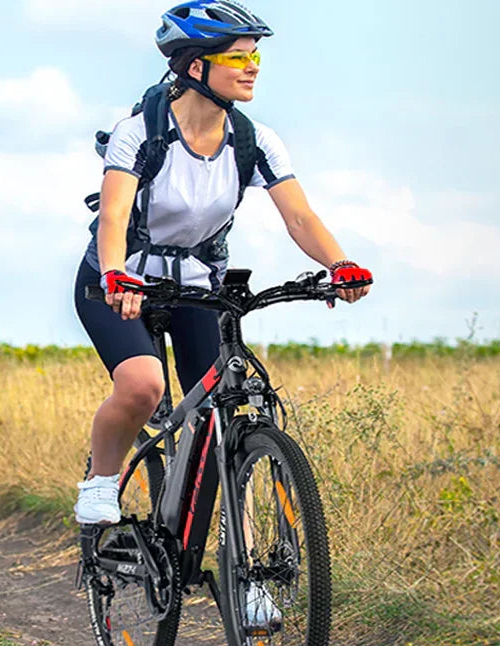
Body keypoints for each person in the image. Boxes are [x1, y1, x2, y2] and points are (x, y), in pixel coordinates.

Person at [73, 0, 373, 527]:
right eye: (237, 58)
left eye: (255, 57)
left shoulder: (254, 141)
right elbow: (115, 214)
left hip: (196, 287)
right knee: (144, 385)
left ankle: (244, 568)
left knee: (217, 425)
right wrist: (116, 272)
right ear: (196, 67)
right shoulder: (141, 131)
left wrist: (339, 263)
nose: (253, 67)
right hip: (118, 279)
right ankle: (101, 482)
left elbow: (299, 216)